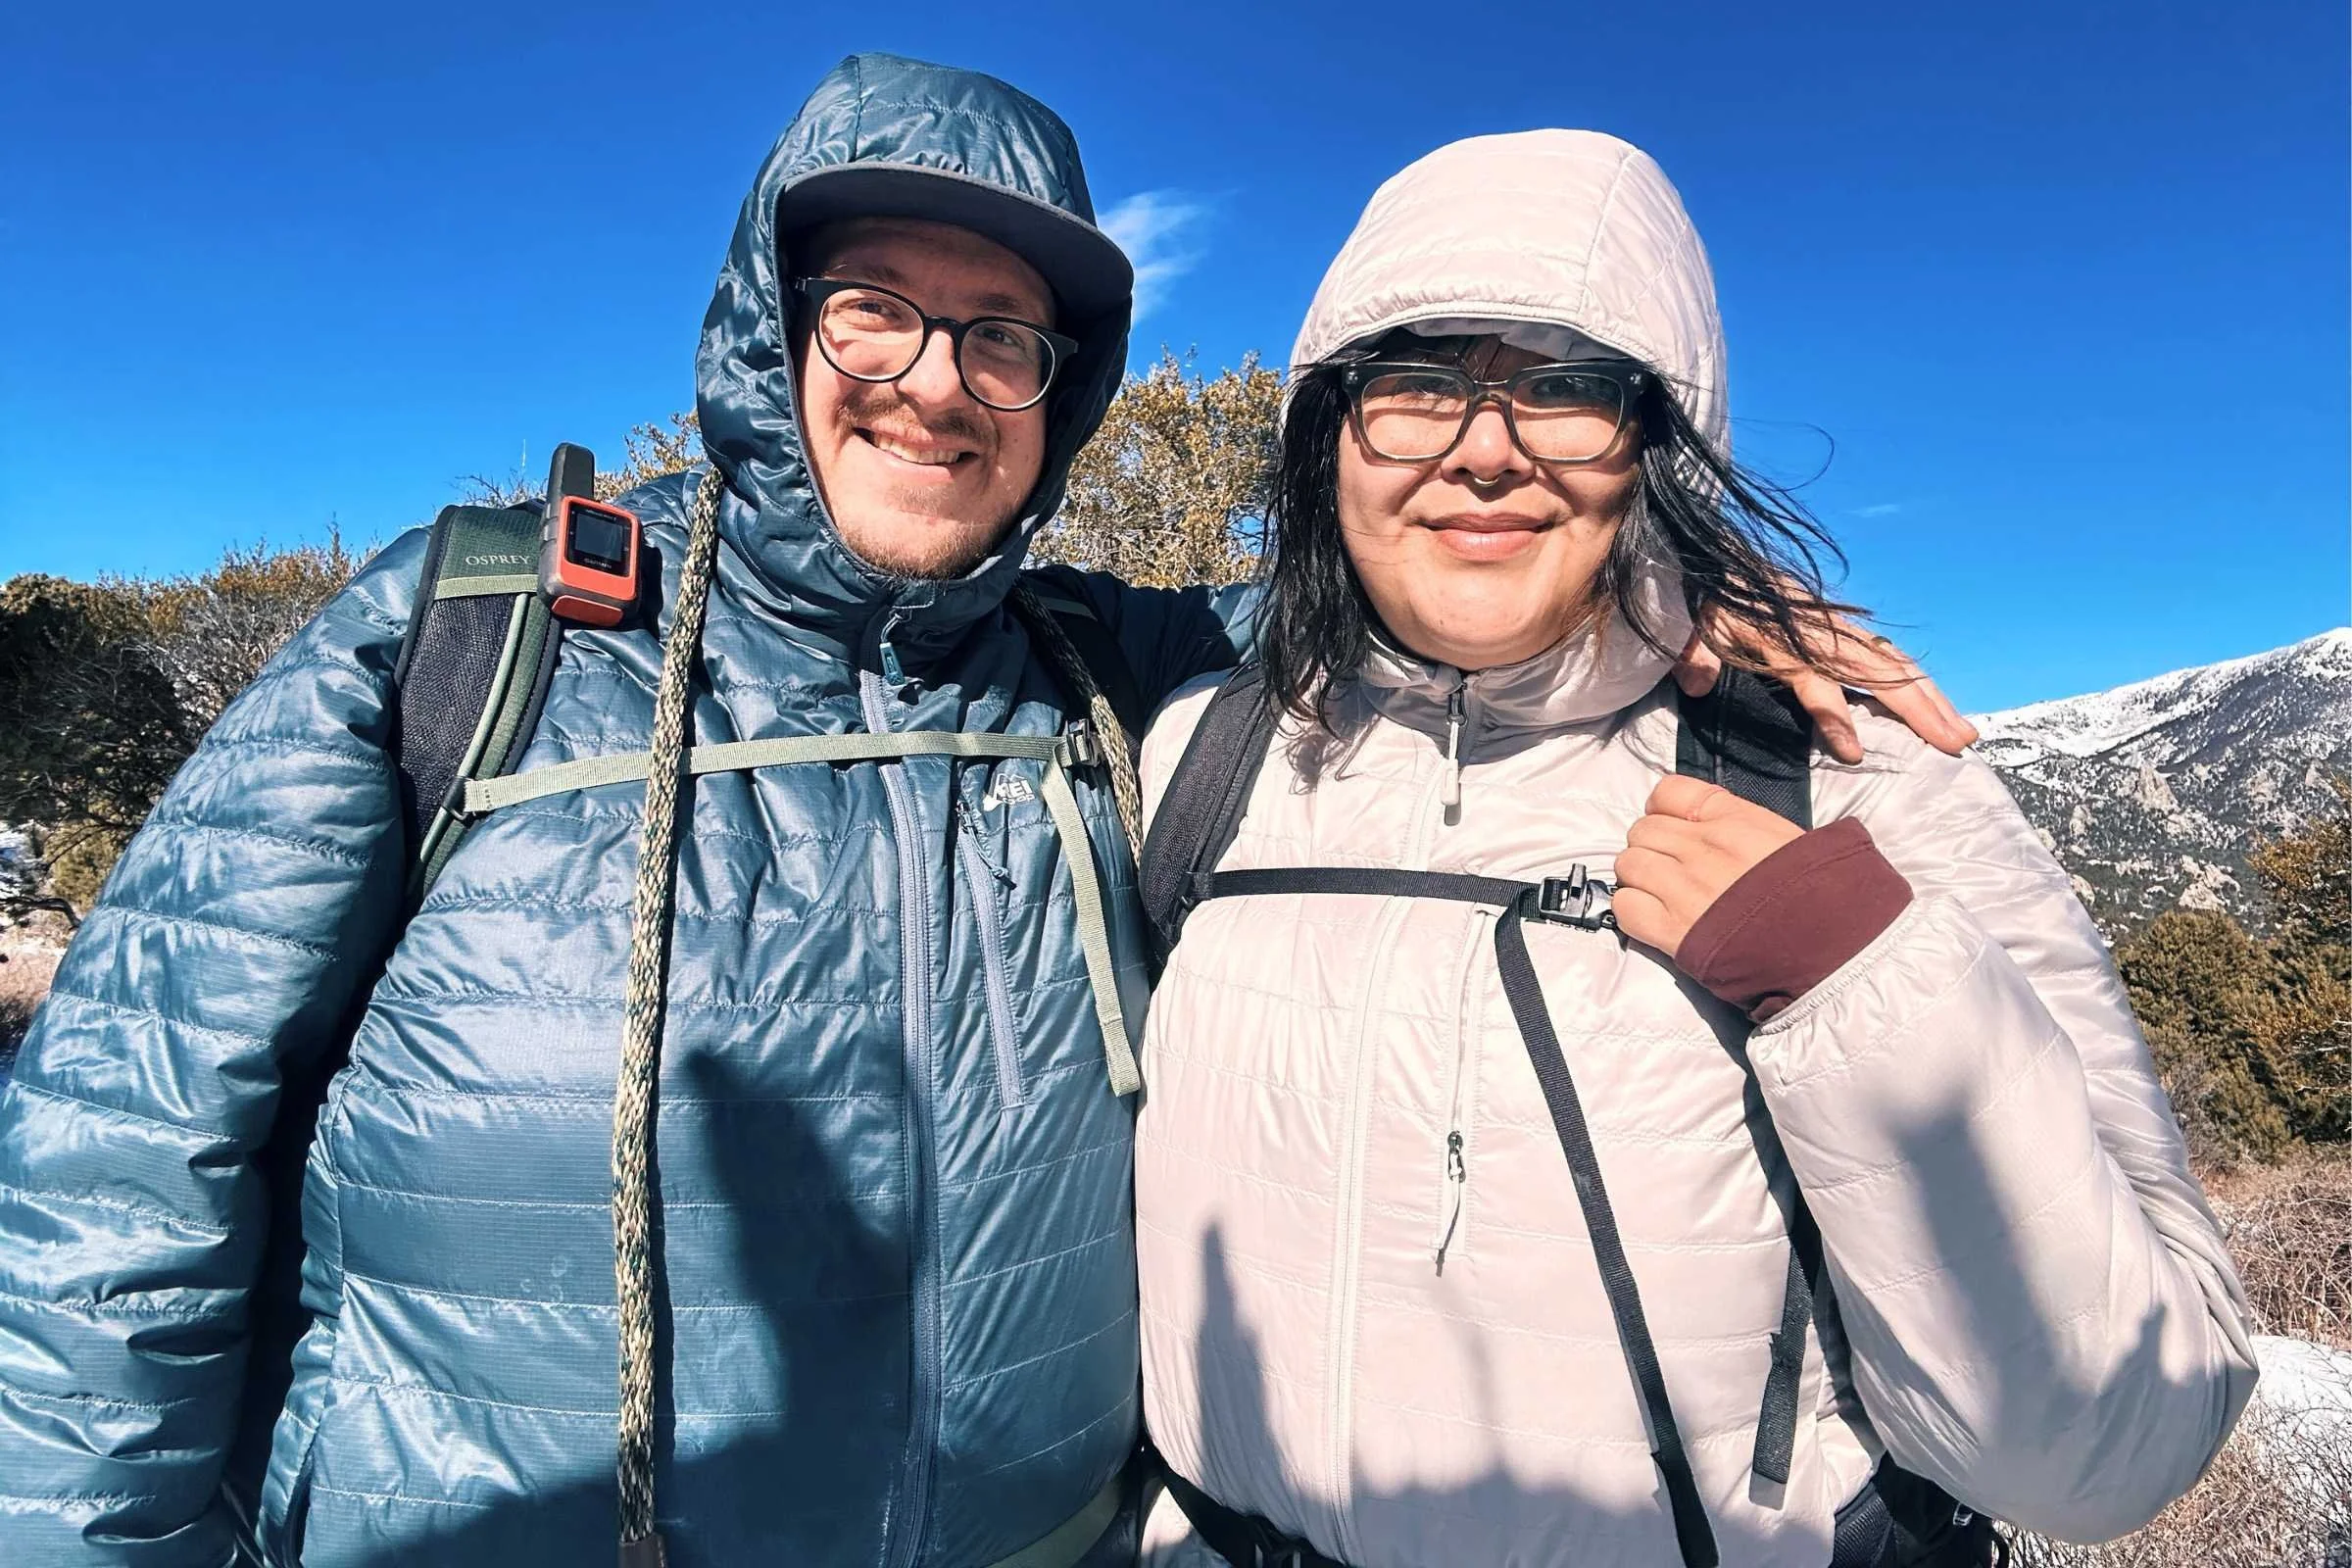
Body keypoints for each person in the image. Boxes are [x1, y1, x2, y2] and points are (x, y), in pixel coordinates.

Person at [0, 56, 1967, 1568]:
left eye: (1005, 334)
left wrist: (1663, 580)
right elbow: (110, 1173)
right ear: (777, 332)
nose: (937, 382)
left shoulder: (1116, 685)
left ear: (1064, 384)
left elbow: (1413, 603)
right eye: (877, 307)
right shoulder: (479, 637)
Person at [1131, 131, 2256, 1568]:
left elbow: (2123, 1443)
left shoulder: (1851, 782)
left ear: (1660, 440)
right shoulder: (1202, 756)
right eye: (1416, 385)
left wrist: (1853, 982)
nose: (1487, 451)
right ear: (1328, 434)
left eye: (1567, 389)